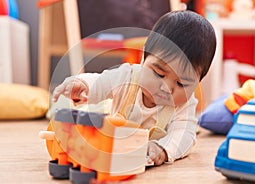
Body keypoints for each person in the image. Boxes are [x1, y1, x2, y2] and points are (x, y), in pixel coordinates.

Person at [52, 10, 216, 166]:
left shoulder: (184, 105)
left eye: (181, 84)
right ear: (143, 57)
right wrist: (83, 85)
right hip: (115, 152)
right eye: (159, 73)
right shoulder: (128, 76)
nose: (166, 88)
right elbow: (101, 82)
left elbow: (184, 135)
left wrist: (163, 149)